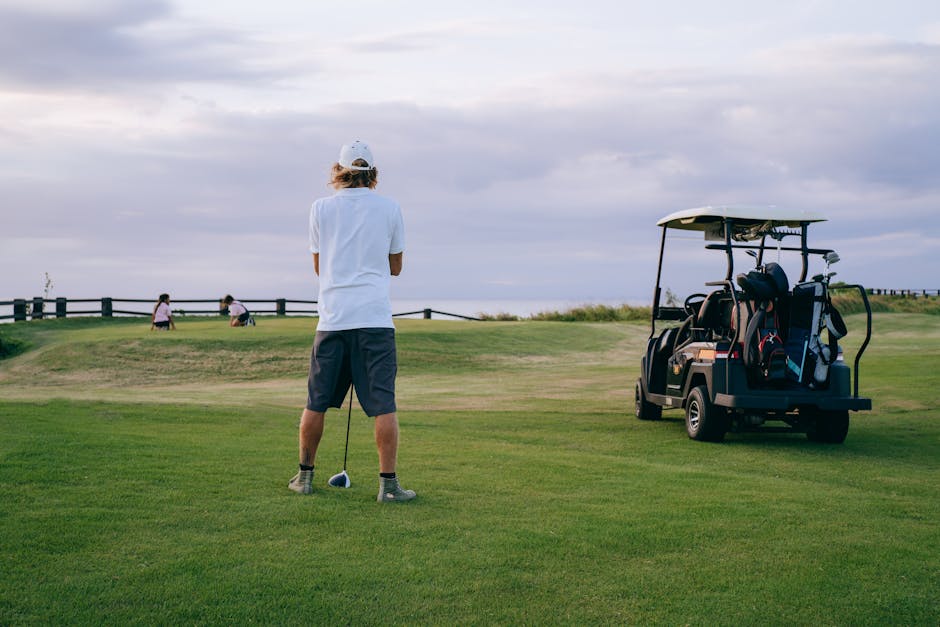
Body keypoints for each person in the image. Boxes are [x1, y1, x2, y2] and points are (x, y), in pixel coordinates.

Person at [288, 140, 414, 503]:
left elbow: (318, 266)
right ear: (372, 174)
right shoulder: (390, 208)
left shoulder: (320, 208)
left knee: (316, 401)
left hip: (333, 320)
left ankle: (304, 478)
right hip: (374, 320)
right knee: (384, 405)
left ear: (338, 170)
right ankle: (388, 487)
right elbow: (396, 267)